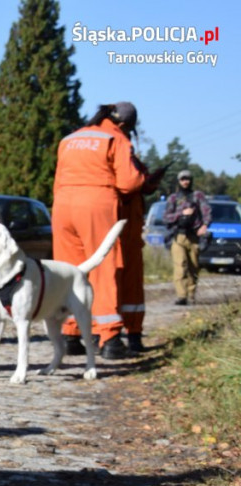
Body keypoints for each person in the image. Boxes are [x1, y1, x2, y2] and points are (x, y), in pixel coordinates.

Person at [51, 101, 145, 360]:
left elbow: (58, 178)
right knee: (103, 268)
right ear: (124, 124)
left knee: (69, 270)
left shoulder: (70, 138)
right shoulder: (116, 138)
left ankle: (70, 335)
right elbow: (128, 183)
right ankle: (110, 338)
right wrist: (144, 177)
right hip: (96, 203)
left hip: (62, 205)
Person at [118, 153, 166, 353]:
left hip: (127, 231)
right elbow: (130, 185)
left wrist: (152, 181)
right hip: (120, 230)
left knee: (125, 287)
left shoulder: (131, 159)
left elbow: (142, 186)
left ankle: (126, 337)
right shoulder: (117, 153)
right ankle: (118, 337)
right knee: (122, 286)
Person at [163, 169, 211, 305]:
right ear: (178, 181)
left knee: (193, 267)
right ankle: (181, 296)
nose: (185, 181)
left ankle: (191, 295)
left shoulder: (198, 196)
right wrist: (181, 213)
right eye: (183, 179)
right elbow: (166, 218)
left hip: (194, 236)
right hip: (178, 237)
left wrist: (205, 225)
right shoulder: (173, 198)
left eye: (188, 179)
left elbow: (207, 212)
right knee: (180, 266)